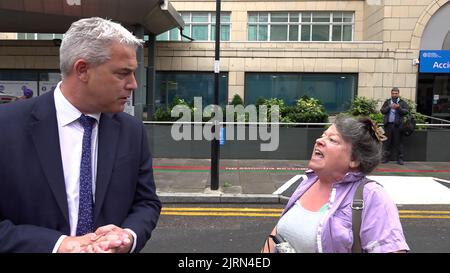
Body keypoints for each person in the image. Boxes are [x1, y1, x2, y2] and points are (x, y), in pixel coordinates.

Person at [0, 17, 161, 253]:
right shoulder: (6, 126)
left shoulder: (131, 130)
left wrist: (127, 237)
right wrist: (57, 245)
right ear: (82, 70)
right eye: (123, 73)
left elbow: (146, 202)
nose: (133, 84)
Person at [262, 115, 409, 253]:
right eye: (323, 135)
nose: (319, 141)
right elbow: (277, 235)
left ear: (354, 160)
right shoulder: (309, 181)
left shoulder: (372, 196)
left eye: (332, 140)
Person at [380, 87, 409, 165]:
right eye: (393, 93)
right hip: (388, 125)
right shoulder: (388, 102)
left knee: (399, 143)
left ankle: (400, 159)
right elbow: (382, 111)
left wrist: (399, 108)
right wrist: (389, 107)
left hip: (398, 126)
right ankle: (386, 158)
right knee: (387, 143)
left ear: (398, 94)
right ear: (391, 94)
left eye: (396, 93)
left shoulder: (402, 102)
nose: (394, 95)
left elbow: (406, 111)